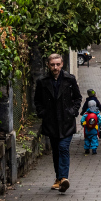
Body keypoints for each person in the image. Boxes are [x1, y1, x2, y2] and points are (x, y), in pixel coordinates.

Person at [33, 53, 82, 193]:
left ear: (62, 64)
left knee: (63, 148)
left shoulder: (69, 79)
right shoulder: (42, 81)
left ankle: (63, 178)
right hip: (51, 122)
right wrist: (43, 112)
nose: (55, 67)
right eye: (52, 65)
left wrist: (72, 111)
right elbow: (37, 100)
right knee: (55, 150)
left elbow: (77, 98)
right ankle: (58, 178)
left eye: (58, 64)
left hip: (66, 121)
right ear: (48, 65)